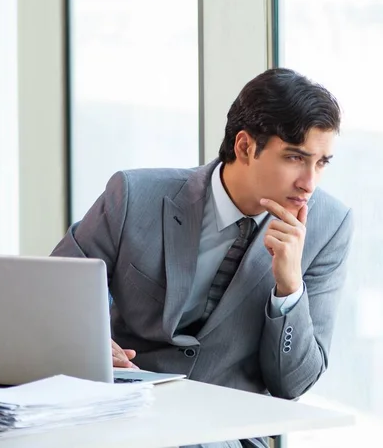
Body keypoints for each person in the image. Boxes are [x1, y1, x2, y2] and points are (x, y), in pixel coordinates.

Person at [51, 68, 353, 448]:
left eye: (322, 162)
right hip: (117, 418)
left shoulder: (329, 226)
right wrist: (90, 345)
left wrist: (289, 289)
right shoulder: (133, 196)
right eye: (295, 158)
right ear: (245, 147)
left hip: (223, 437)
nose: (309, 182)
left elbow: (294, 382)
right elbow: (50, 300)